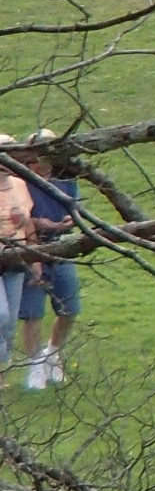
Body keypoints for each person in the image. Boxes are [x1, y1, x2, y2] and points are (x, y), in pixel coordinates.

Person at [16, 131, 80, 389]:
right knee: (32, 313)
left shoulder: (66, 178)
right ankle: (34, 367)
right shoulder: (22, 180)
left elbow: (75, 209)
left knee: (70, 308)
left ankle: (52, 355)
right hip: (32, 249)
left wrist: (70, 220)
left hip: (61, 248)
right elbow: (20, 215)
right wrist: (37, 223)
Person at [0, 136, 36, 374]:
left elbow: (28, 222)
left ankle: (2, 368)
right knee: (0, 315)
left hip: (16, 257)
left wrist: (34, 257)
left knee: (11, 321)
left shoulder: (20, 184)